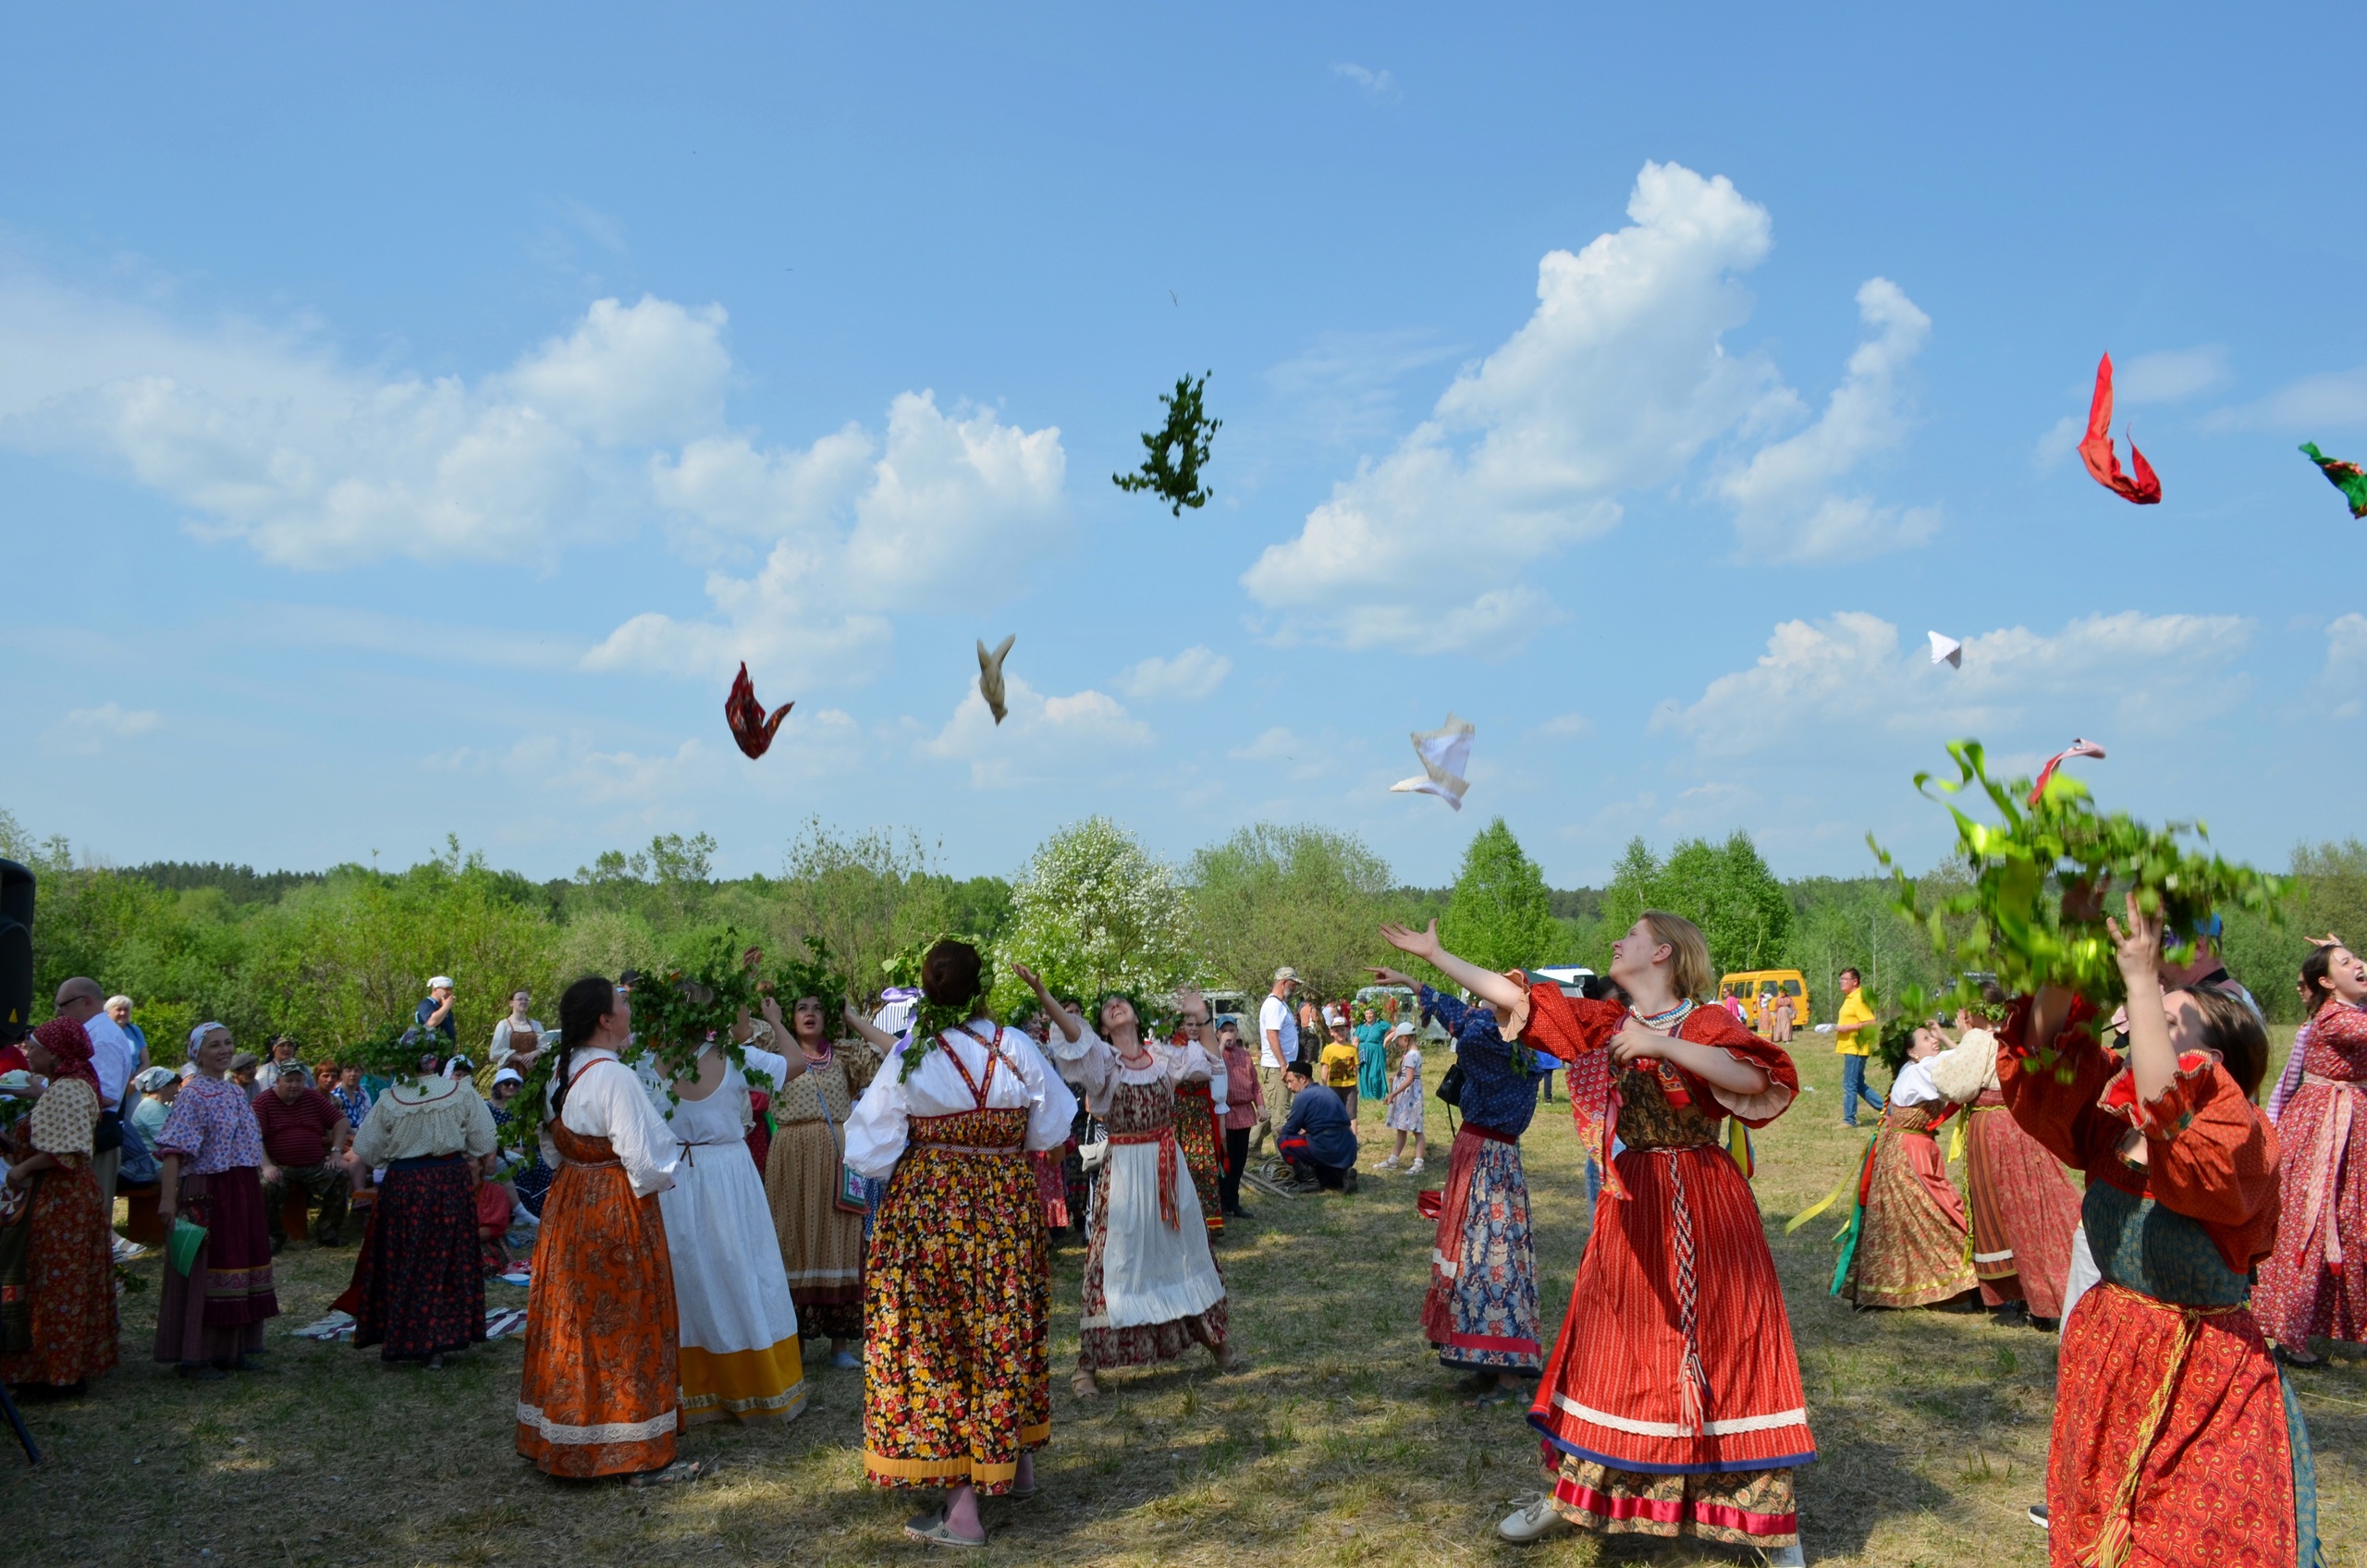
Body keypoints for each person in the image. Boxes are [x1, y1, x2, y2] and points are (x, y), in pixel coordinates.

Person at [1382, 914, 1809, 1562]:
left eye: (1630, 936)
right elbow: (1517, 1001)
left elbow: (1754, 1077)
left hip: (1703, 1194)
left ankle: (1770, 1528)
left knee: (1724, 1344)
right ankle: (1574, 1496)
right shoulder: (1608, 1024)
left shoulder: (1702, 1023)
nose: (1616, 942)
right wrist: (1439, 956)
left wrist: (1662, 1046)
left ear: (1662, 952)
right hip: (1634, 1193)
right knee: (1608, 1338)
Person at [2003, 895, 2315, 1566]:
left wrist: (2145, 979)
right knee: (2096, 1532)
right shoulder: (2114, 1128)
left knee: (2188, 1545)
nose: (2146, 1021)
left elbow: (2172, 1116)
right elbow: (2042, 1052)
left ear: (2220, 1061)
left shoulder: (2242, 1141)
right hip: (2109, 1359)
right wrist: (2070, 946)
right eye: (2153, 1013)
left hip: (2205, 1381)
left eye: (2172, 1020)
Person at [843, 939, 1077, 1548]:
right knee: (1003, 1331)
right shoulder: (1016, 1045)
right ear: (981, 990)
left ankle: (963, 1512)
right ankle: (1015, 1461)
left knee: (940, 1346)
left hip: (932, 1215)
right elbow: (1053, 1128)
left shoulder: (911, 1054)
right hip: (1005, 1209)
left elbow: (867, 1151)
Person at [517, 974, 696, 1484]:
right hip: (615, 1207)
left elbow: (550, 1147)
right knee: (624, 1320)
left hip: (569, 1202)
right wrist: (667, 1174)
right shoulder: (614, 1077)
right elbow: (644, 1160)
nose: (628, 1008)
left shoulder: (559, 1070)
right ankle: (628, 1447)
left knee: (574, 1320)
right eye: (622, 1002)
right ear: (604, 1019)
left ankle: (566, 1430)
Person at [1037, 973, 1234, 1397]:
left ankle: (1218, 1344)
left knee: (1185, 1252)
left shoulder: (1163, 1056)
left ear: (1133, 1016)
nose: (1114, 1004)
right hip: (1126, 1169)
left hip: (1168, 1168)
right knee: (1116, 1260)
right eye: (1107, 1008)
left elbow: (1211, 1060)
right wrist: (1043, 992)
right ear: (1104, 1028)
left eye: (1120, 1001)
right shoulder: (1104, 1062)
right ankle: (1086, 1368)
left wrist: (1200, 1016)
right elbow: (1073, 1033)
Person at [1374, 965, 1551, 1400]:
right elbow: (1459, 1014)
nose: (1485, 995)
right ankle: (1483, 1362)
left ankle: (1507, 1371)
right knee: (1472, 1259)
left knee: (1494, 1258)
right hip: (1485, 1154)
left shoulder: (1501, 1041)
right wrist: (1413, 982)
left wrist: (1420, 982)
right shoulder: (1512, 1038)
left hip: (1490, 1159)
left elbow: (1463, 1023)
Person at [656, 992, 809, 1426]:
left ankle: (692, 1389)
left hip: (675, 1176)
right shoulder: (735, 1057)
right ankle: (749, 1383)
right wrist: (776, 1021)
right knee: (738, 1270)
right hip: (726, 1175)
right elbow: (796, 1065)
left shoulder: (647, 1064)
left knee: (685, 1272)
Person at [1928, 989, 2083, 1329]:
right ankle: (2051, 1293)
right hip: (2025, 1123)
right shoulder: (2019, 1034)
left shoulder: (1979, 1039)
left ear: (1974, 1010)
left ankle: (2029, 1297)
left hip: (1995, 1129)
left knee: (2005, 1211)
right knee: (2034, 1206)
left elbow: (1957, 1084)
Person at [344, 1049, 499, 1366]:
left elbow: (366, 1148)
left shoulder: (391, 1097)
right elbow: (485, 1140)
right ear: (435, 1062)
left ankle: (405, 1334)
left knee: (405, 1255)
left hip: (405, 1184)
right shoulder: (461, 1091)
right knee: (444, 1255)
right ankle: (438, 1341)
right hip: (447, 1181)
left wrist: (400, 1151)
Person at [2252, 940, 2367, 1366]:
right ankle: (2289, 1331)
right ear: (2325, 982)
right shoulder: (2337, 1018)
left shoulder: (2349, 1013)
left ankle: (2320, 1325)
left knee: (2347, 1220)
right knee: (2312, 1224)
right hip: (2323, 1127)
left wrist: (2344, 957)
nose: (2358, 966)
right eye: (2347, 963)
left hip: (2347, 1124)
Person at [762, 993, 886, 1367]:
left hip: (835, 1153)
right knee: (791, 1238)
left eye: (818, 1008)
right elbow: (737, 1032)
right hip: (789, 1154)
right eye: (802, 1007)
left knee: (839, 1238)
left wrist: (853, 1019)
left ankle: (840, 1346)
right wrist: (769, 1014)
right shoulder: (773, 1048)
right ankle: (794, 1344)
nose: (810, 1014)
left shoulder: (845, 1054)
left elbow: (892, 1057)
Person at [0, 1017, 119, 1392]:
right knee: (61, 1280)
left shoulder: (67, 1089)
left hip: (60, 1199)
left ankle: (55, 1374)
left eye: (33, 1046)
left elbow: (65, 1151)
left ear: (54, 1054)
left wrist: (20, 1168)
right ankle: (65, 1367)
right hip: (67, 1196)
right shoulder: (68, 1084)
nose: (27, 1052)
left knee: (54, 1283)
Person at [153, 1023, 280, 1378]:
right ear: (198, 1053)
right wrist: (167, 1200)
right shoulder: (193, 1094)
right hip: (208, 1187)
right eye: (214, 1045)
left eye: (228, 1043)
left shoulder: (235, 1092)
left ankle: (232, 1350)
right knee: (206, 1268)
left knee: (241, 1262)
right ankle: (196, 1354)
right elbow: (173, 1151)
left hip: (241, 1185)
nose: (223, 1050)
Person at [1836, 1020, 1978, 1309]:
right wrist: (1957, 1038)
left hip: (1907, 1149)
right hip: (1907, 1154)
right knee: (1935, 1212)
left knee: (1904, 1217)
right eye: (1926, 1038)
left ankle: (1890, 1291)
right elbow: (1965, 1062)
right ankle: (1974, 1279)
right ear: (1912, 1052)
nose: (1932, 1040)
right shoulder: (1920, 1071)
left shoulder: (1913, 1069)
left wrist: (1942, 1038)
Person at [48, 977, 138, 1206]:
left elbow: (106, 1096)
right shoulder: (94, 1033)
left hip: (96, 1139)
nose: (58, 1013)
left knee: (89, 1218)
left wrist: (42, 1095)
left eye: (62, 1005)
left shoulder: (101, 1037)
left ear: (86, 1001)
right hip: (87, 1139)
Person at [253, 1061, 353, 1250]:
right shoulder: (263, 1102)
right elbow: (254, 1136)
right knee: (266, 1186)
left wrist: (336, 1152)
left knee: (338, 1176)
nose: (294, 1085)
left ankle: (328, 1232)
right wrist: (266, 1165)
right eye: (289, 1080)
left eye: (299, 1080)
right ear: (277, 1081)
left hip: (314, 1164)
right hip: (280, 1165)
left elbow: (340, 1120)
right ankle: (273, 1237)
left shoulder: (312, 1097)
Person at [1163, 998, 1228, 1237]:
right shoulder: (1171, 1049)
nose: (1192, 1028)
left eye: (1195, 1024)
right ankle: (1180, 1221)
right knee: (1179, 1166)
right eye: (1188, 1024)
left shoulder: (1203, 1048)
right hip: (1178, 1112)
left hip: (1200, 1111)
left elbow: (1217, 1070)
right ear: (1179, 1026)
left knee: (1202, 1165)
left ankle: (1207, 1222)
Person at [1274, 1059, 1357, 1192]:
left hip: (1327, 1145)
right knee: (1324, 1175)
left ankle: (1310, 1182)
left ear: (1302, 1079)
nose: (1289, 1087)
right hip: (1349, 1147)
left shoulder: (1303, 1096)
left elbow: (1289, 1130)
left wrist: (1280, 1130)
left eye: (1290, 1081)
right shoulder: (1329, 1091)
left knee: (1284, 1142)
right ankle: (1341, 1176)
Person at [1215, 1020, 1262, 1220]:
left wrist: (1260, 1105)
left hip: (1243, 1113)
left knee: (1239, 1162)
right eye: (1224, 1031)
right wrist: (1219, 1048)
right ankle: (1221, 1203)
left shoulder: (1245, 1056)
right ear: (1217, 1033)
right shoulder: (1215, 1055)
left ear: (1237, 1032)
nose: (1229, 1034)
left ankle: (1234, 1202)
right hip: (1223, 1114)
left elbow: (1256, 1085)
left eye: (1231, 1030)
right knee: (1224, 1161)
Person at [1252, 967, 1300, 1154]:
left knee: (1275, 1109)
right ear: (1283, 982)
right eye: (1293, 984)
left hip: (1282, 1064)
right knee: (1281, 1114)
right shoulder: (1273, 1005)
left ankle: (1251, 1145)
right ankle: (1285, 1158)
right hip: (1276, 1066)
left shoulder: (1280, 1004)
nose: (1295, 988)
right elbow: (1272, 1036)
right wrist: (1282, 1064)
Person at [1828, 967, 1883, 1125]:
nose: (1841, 983)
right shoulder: (1850, 998)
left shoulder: (1858, 998)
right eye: (1840, 980)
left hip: (1856, 1047)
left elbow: (1870, 1022)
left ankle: (1849, 1120)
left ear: (1855, 981)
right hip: (1851, 1046)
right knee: (1857, 1084)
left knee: (1849, 1084)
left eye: (1845, 979)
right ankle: (1889, 1111)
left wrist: (1848, 1028)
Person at [1376, 1022, 1427, 1172]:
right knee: (1402, 1127)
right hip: (1409, 1095)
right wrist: (1396, 1076)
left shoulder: (1411, 1056)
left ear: (1405, 1038)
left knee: (1416, 1129)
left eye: (1398, 1039)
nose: (1397, 1043)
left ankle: (1419, 1162)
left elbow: (1410, 1079)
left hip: (1409, 1097)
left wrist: (1393, 1093)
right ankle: (1394, 1159)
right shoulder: (1414, 1054)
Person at [1319, 1008, 1362, 1121]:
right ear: (1331, 1032)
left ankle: (1352, 1137)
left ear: (1347, 1030)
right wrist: (1324, 1084)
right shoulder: (1328, 1049)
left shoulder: (1352, 1049)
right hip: (1334, 1085)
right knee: (1334, 1112)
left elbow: (1355, 1067)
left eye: (1342, 1029)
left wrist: (1355, 1084)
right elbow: (1325, 1067)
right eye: (1337, 1030)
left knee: (1351, 1114)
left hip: (1350, 1085)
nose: (1340, 1033)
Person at [489, 990, 544, 1072]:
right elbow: (496, 1052)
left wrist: (533, 1054)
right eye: (520, 999)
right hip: (510, 1072)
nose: (524, 1001)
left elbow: (545, 1046)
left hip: (533, 1071)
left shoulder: (535, 1025)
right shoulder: (504, 1025)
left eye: (526, 999)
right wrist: (521, 1058)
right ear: (511, 1003)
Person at [129, 1065, 180, 1149]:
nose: (177, 1091)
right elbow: (167, 1141)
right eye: (175, 1087)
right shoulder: (150, 1108)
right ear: (163, 1087)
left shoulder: (162, 1106)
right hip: (154, 1161)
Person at [104, 995, 150, 1072]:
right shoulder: (102, 1031)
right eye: (119, 1009)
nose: (123, 1013)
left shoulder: (135, 1031)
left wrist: (134, 1082)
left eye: (126, 1010)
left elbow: (145, 1062)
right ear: (108, 1012)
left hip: (133, 1081)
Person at [1355, 1006, 1390, 1106]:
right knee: (1364, 1073)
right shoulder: (1361, 1026)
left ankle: (1377, 1094)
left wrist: (1386, 1040)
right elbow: (1356, 1040)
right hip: (1363, 1052)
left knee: (1374, 1074)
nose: (1369, 1016)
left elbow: (1395, 1030)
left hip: (1376, 1052)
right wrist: (1353, 1052)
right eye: (1367, 1014)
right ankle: (1366, 1096)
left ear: (1374, 1015)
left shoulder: (1380, 1024)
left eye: (1371, 1013)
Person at [416, 976, 458, 1049]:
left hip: (447, 1052)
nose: (450, 992)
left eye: (450, 989)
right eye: (446, 989)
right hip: (430, 1052)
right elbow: (431, 1022)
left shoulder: (444, 1007)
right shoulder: (426, 1004)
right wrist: (446, 1006)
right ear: (435, 990)